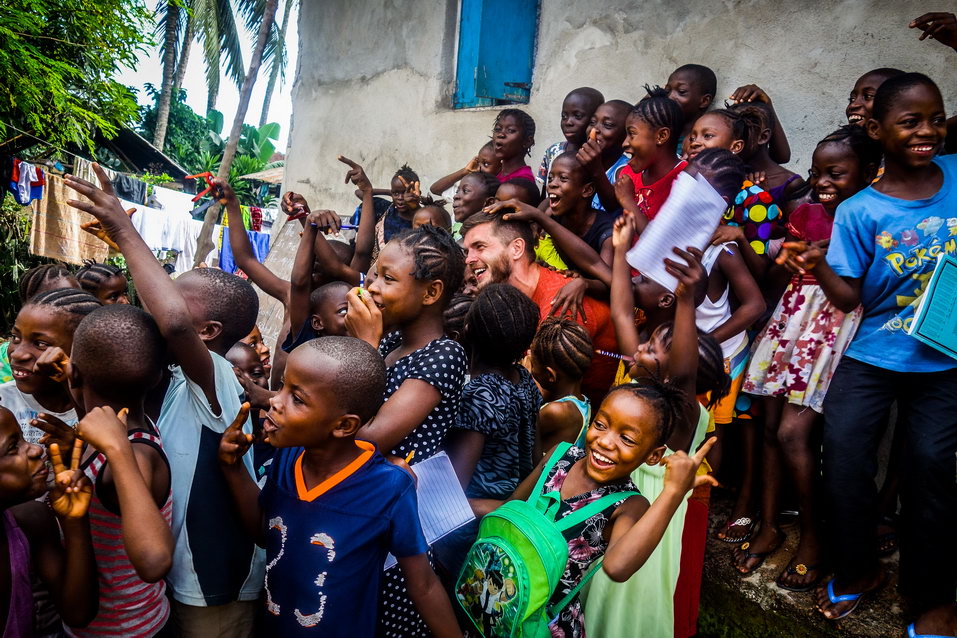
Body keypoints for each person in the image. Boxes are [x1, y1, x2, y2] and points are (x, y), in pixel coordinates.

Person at [778, 73, 956, 636]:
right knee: (845, 460)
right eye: (911, 121)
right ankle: (859, 569)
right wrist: (818, 265)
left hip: (945, 359)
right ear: (877, 130)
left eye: (935, 118)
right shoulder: (859, 210)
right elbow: (850, 296)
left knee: (931, 467)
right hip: (874, 353)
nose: (927, 130)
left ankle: (931, 598)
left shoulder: (956, 175)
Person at [64, 164, 265, 637]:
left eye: (176, 298)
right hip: (179, 581)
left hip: (214, 587)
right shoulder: (173, 373)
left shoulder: (215, 376)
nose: (162, 304)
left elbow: (172, 322)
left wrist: (125, 230)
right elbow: (161, 325)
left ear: (208, 333)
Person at [218, 337, 463, 637]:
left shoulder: (388, 488)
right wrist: (232, 469)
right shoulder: (288, 456)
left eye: (297, 398)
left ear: (344, 426)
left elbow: (422, 585)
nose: (274, 401)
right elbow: (264, 533)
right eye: (282, 386)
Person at [735, 126, 880, 592]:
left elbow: (864, 286)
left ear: (870, 172)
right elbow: (787, 275)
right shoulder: (809, 215)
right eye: (817, 172)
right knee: (773, 428)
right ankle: (771, 524)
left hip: (837, 328)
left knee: (793, 433)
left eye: (835, 173)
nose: (821, 181)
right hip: (794, 321)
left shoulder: (871, 217)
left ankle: (815, 537)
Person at [587, 213, 731, 638]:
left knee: (627, 606)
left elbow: (683, 373)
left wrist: (687, 300)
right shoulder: (641, 379)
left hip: (649, 516)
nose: (642, 349)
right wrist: (618, 250)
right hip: (615, 504)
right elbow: (620, 312)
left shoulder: (680, 412)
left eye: (653, 350)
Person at [343, 224, 468, 637]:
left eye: (388, 278)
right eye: (375, 274)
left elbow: (368, 436)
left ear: (430, 293)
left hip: (398, 527)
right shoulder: (387, 341)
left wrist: (362, 346)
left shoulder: (444, 355)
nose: (373, 286)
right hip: (358, 505)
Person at [41, 305, 176, 637]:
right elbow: (99, 417)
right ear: (157, 376)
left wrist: (117, 450)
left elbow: (154, 561)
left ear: (75, 375)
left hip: (121, 629)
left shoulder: (133, 456)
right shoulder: (138, 422)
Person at [460, 211, 618, 403]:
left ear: (516, 248)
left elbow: (533, 397)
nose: (469, 259)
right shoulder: (511, 299)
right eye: (468, 251)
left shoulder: (561, 303)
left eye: (480, 247)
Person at [439, 284, 542, 576]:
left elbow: (453, 489)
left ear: (468, 330)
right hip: (511, 514)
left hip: (474, 530)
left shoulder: (480, 394)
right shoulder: (524, 379)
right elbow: (534, 458)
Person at [0, 405, 98, 635]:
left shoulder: (31, 520)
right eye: (13, 447)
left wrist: (74, 521)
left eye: (24, 439)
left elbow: (78, 613)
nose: (36, 449)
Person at [1, 288, 100, 444]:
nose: (17, 354)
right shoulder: (3, 401)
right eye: (15, 337)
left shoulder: (102, 409)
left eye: (40, 343)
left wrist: (78, 450)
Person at [618, 87, 687, 231]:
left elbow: (659, 244)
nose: (624, 143)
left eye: (632, 134)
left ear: (661, 136)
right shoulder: (628, 174)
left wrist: (627, 200)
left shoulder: (685, 181)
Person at [529, 317, 593, 451]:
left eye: (533, 364)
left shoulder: (556, 411)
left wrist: (526, 376)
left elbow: (520, 431)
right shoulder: (581, 402)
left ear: (550, 375)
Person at [575, 99, 637, 212]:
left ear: (626, 135)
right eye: (592, 122)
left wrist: (596, 169)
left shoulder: (624, 171)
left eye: (607, 125)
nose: (594, 130)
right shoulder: (581, 161)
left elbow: (613, 209)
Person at [536, 87, 605, 188]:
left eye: (577, 116)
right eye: (564, 116)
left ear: (594, 119)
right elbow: (546, 193)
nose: (568, 122)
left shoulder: (599, 156)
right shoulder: (553, 151)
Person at [664, 64, 717, 151]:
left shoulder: (700, 146)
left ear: (704, 101)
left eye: (681, 91)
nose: (670, 97)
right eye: (667, 91)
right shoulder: (659, 134)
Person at [429, 141, 502, 198]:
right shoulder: (468, 188)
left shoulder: (501, 192)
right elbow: (435, 189)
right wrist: (464, 171)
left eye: (486, 164)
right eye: (478, 162)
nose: (479, 168)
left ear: (502, 165)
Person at [492, 109, 536, 182]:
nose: (500, 134)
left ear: (527, 141)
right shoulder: (496, 173)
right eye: (497, 129)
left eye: (511, 130)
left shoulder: (521, 181)